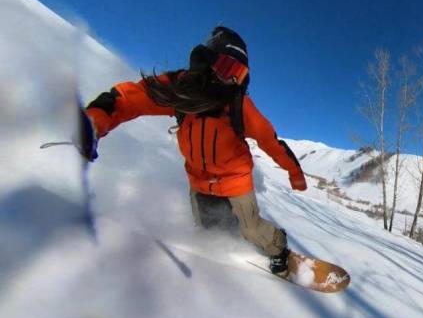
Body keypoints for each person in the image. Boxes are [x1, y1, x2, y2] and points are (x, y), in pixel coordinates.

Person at [80, 26, 307, 276]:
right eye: (226, 68)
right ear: (208, 61)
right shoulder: (182, 90)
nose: (231, 79)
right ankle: (224, 258)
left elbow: (271, 141)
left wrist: (295, 174)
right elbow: (131, 98)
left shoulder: (240, 106)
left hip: (235, 180)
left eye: (239, 74)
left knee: (251, 229)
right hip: (199, 179)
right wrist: (95, 120)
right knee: (207, 230)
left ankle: (279, 250)